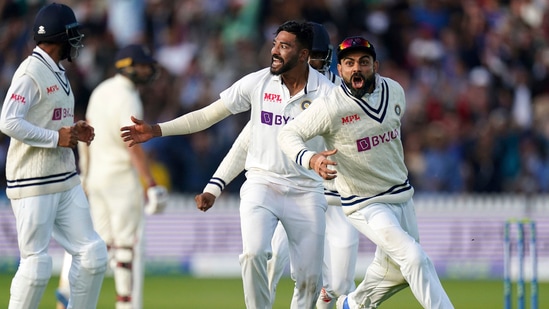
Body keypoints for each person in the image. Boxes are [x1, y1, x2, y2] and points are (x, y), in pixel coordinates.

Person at [121, 20, 335, 309]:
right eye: (274, 44)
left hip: (307, 190)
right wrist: (157, 129)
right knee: (253, 255)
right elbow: (207, 115)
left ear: (303, 55)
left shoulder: (328, 93)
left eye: (284, 47)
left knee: (310, 279)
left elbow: (347, 140)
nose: (274, 51)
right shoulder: (258, 82)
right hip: (263, 183)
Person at [278, 36, 455, 309]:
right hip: (365, 202)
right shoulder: (330, 106)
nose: (356, 69)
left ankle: (354, 304)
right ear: (339, 70)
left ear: (376, 65)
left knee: (395, 273)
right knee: (415, 259)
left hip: (401, 195)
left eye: (363, 62)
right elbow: (288, 134)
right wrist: (310, 158)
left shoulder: (395, 91)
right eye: (348, 63)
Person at [194, 22, 359, 309]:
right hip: (284, 188)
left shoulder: (333, 93)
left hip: (331, 197)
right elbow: (245, 144)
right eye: (313, 56)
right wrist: (215, 185)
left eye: (320, 57)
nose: (316, 63)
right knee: (266, 263)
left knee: (334, 283)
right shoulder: (272, 86)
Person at [0, 3, 109, 309]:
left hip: (64, 178)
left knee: (92, 255)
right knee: (36, 267)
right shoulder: (31, 71)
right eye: (72, 36)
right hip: (32, 180)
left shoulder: (57, 69)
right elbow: (8, 121)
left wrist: (73, 131)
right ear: (59, 38)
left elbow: (48, 120)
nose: (77, 43)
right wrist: (56, 137)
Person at [56, 44, 168, 309]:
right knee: (127, 248)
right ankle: (127, 305)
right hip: (121, 182)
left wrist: (85, 172)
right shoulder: (128, 96)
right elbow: (132, 143)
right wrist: (150, 184)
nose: (148, 70)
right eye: (143, 65)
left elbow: (85, 136)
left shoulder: (101, 90)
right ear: (128, 66)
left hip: (97, 181)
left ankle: (65, 296)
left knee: (92, 245)